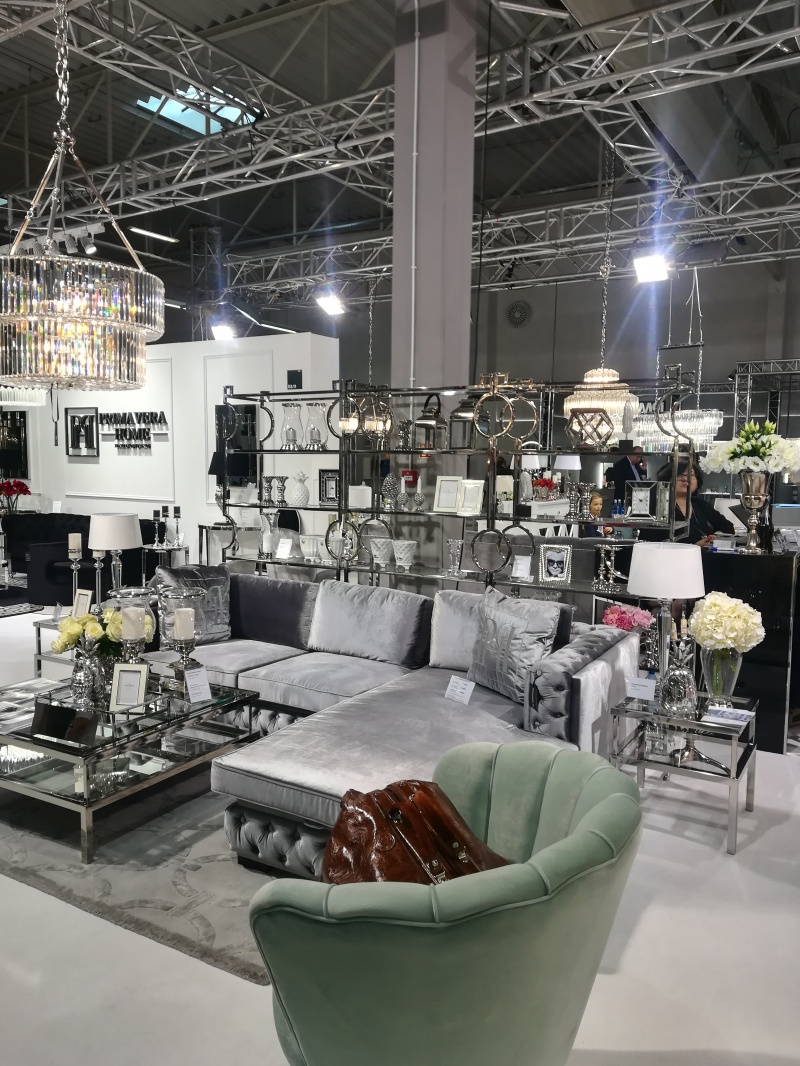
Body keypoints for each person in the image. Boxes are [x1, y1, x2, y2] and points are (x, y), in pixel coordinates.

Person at [647, 461, 735, 546]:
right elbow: (653, 540)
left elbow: (727, 527)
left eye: (691, 475)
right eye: (679, 475)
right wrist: (694, 546)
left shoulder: (700, 504)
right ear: (667, 480)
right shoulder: (658, 506)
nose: (685, 479)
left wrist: (715, 537)